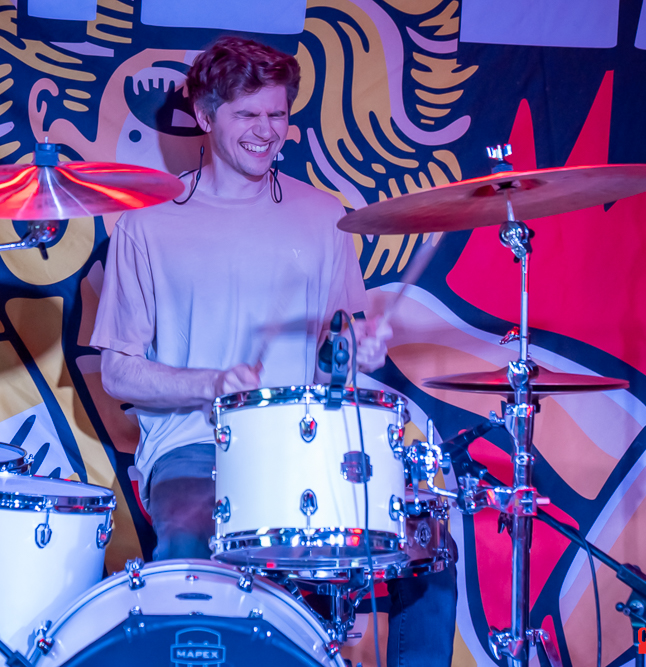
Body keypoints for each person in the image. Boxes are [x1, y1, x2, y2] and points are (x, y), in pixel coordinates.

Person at [91, 36, 456, 666]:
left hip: (312, 443)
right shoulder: (146, 224)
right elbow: (119, 372)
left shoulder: (325, 216)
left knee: (426, 548)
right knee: (191, 546)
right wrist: (211, 384)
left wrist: (357, 351)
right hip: (195, 445)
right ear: (204, 115)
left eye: (277, 114)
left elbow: (338, 350)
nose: (267, 132)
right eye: (248, 115)